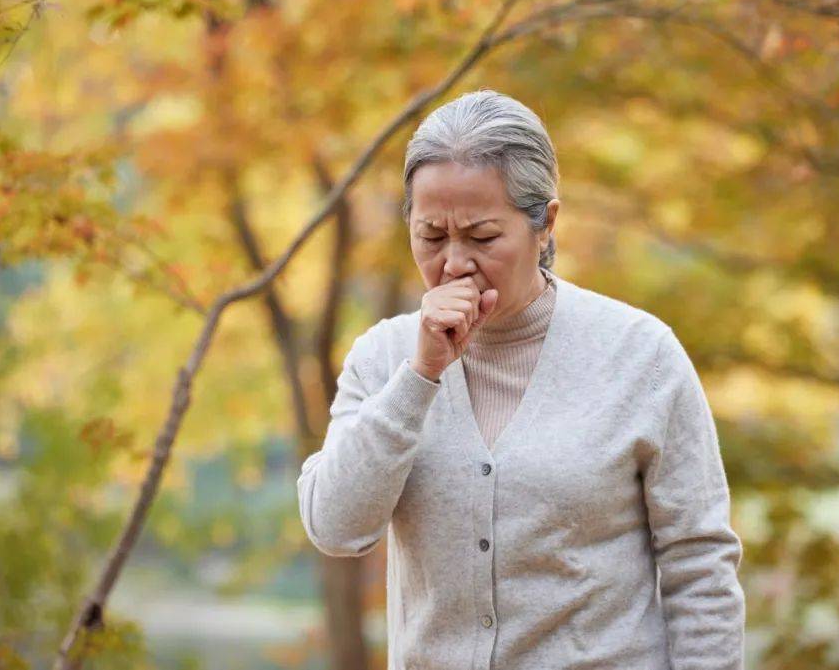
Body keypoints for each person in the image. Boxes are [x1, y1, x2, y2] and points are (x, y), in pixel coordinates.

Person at [297, 88, 745, 669]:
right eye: (431, 236)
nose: (454, 263)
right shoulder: (383, 358)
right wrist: (420, 377)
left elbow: (700, 565)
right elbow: (335, 527)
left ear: (545, 223)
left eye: (482, 237)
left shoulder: (641, 356)